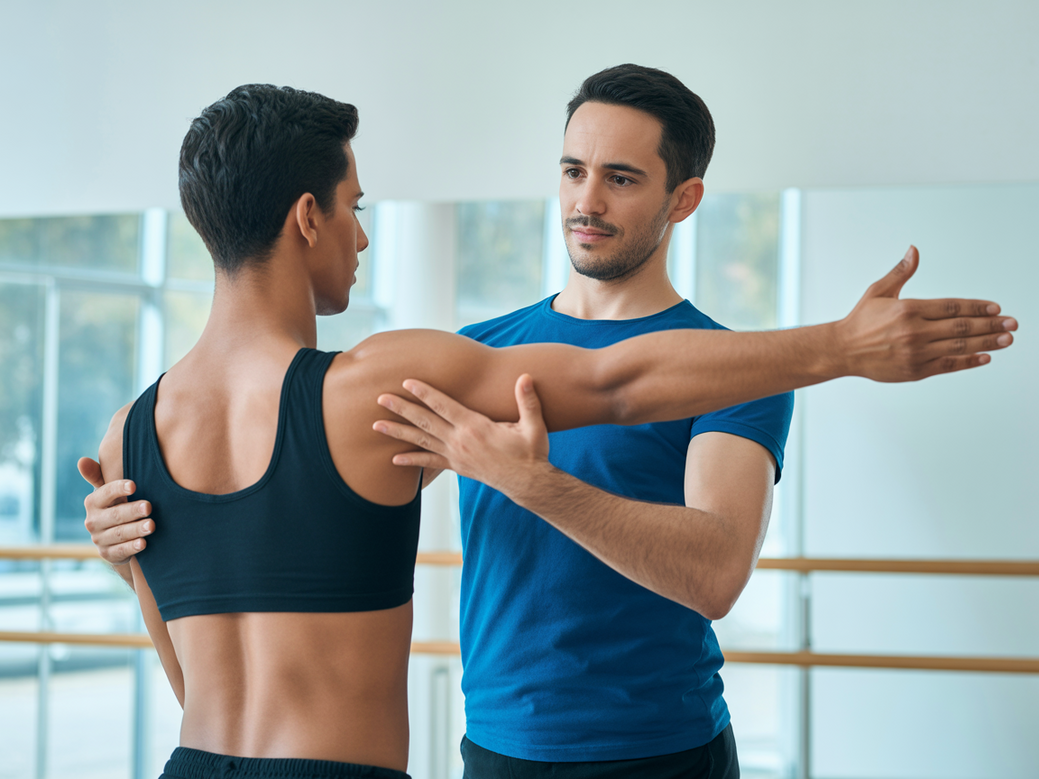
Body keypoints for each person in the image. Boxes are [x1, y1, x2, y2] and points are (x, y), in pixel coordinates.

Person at [80, 76, 1016, 779]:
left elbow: (195, 677)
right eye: (357, 210)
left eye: (618, 176)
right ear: (306, 218)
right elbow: (612, 385)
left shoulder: (131, 433)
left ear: (679, 197)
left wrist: (138, 563)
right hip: (447, 756)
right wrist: (838, 345)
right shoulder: (390, 378)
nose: (363, 237)